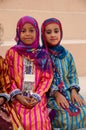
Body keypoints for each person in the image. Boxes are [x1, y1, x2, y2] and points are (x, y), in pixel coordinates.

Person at [5, 16, 53, 130]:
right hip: (17, 98)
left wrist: (37, 95)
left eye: (31, 30)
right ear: (18, 32)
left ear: (37, 32)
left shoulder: (42, 54)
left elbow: (47, 77)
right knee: (16, 121)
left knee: (39, 121)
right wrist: (17, 95)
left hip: (36, 99)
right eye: (23, 30)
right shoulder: (12, 53)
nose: (27, 34)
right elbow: (7, 76)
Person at [41, 18, 86, 130]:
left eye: (56, 31)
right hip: (51, 94)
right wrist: (56, 94)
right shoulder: (41, 56)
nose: (53, 35)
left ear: (61, 33)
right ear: (43, 34)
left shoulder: (67, 55)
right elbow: (43, 78)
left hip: (69, 91)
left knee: (83, 109)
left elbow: (72, 74)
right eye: (48, 32)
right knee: (62, 115)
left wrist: (74, 91)